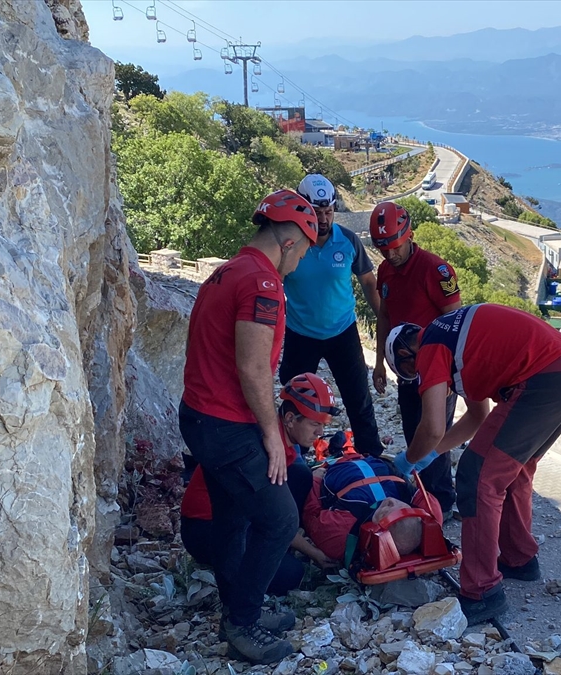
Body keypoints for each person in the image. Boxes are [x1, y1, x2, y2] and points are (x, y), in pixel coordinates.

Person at [384, 304, 561, 624]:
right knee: (514, 470)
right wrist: (432, 454)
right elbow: (477, 417)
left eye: (411, 373)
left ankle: (481, 592)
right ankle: (520, 559)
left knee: (477, 476)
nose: (419, 378)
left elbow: (432, 427)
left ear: (404, 351)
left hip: (543, 378)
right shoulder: (452, 341)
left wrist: (406, 461)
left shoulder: (431, 346)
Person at [178, 189, 316, 664]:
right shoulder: (262, 284)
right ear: (292, 242)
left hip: (198, 417)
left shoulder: (224, 272)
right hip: (226, 425)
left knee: (232, 516)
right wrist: (272, 436)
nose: (298, 266)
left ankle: (237, 604)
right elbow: (254, 369)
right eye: (303, 253)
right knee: (279, 519)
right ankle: (242, 623)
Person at [180, 374, 342, 600]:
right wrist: (313, 552)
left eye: (322, 425)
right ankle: (242, 612)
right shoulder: (262, 449)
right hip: (204, 527)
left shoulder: (276, 437)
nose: (320, 433)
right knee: (290, 574)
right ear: (290, 419)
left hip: (231, 512)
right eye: (315, 424)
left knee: (301, 475)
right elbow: (272, 516)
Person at [279, 174, 385, 457]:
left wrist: (384, 323)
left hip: (343, 333)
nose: (323, 219)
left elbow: (369, 283)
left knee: (359, 400)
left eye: (328, 212)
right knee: (294, 401)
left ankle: (372, 458)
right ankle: (292, 459)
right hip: (301, 334)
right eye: (316, 212)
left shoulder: (348, 241)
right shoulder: (290, 246)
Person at [368, 201, 463, 512]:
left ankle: (442, 501)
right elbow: (385, 316)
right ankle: (423, 494)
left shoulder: (436, 271)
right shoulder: (385, 271)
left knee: (435, 435)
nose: (390, 254)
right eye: (383, 248)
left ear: (409, 236)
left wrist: (450, 372)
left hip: (438, 370)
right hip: (406, 369)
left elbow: (455, 321)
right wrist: (381, 362)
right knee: (414, 432)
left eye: (394, 247)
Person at [302, 452, 442, 564]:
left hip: (348, 464)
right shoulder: (427, 510)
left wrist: (316, 479)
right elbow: (311, 513)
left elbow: (310, 514)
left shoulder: (340, 534)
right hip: (361, 463)